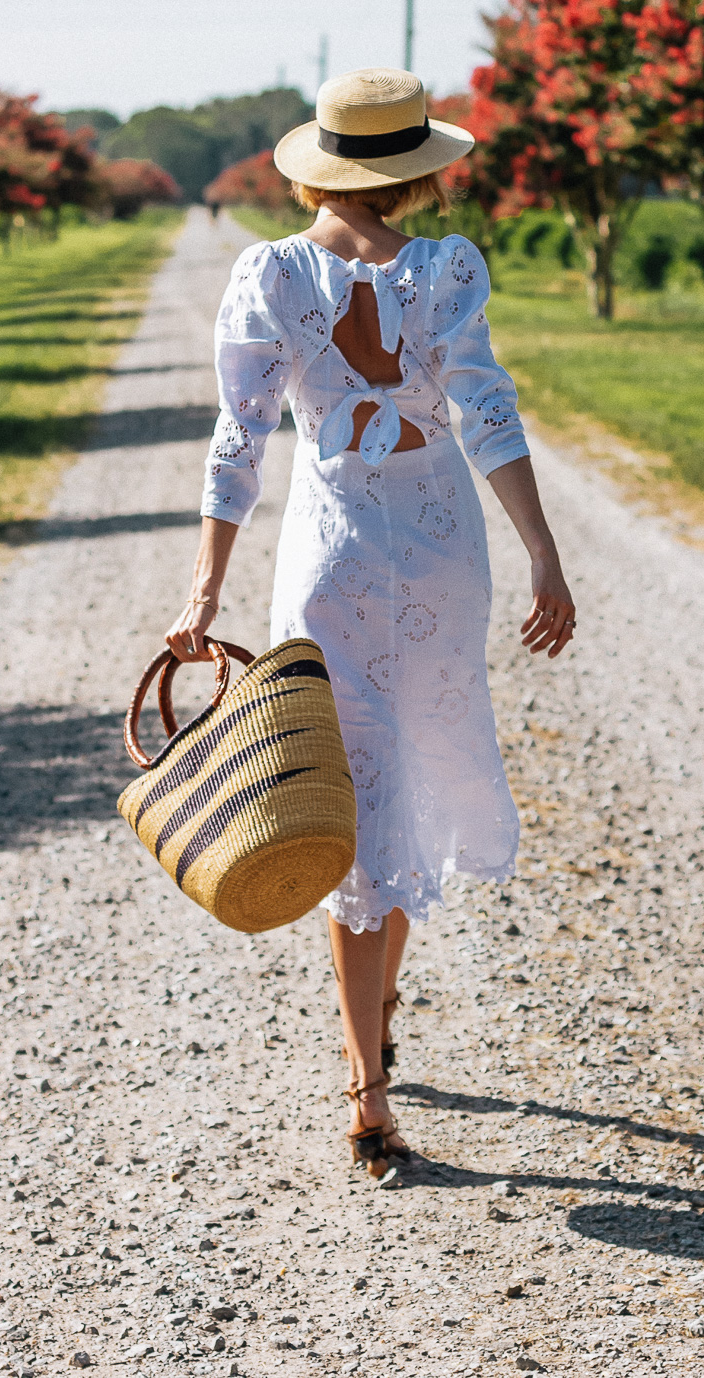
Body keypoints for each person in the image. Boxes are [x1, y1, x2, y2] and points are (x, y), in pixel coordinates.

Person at [166, 68, 576, 1175]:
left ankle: (368, 1080)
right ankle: (375, 1034)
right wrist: (543, 550)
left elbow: (237, 444)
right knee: (401, 785)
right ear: (413, 171)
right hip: (443, 559)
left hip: (330, 562)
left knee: (358, 798)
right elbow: (487, 412)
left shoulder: (267, 275)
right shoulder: (447, 268)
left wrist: (204, 596)